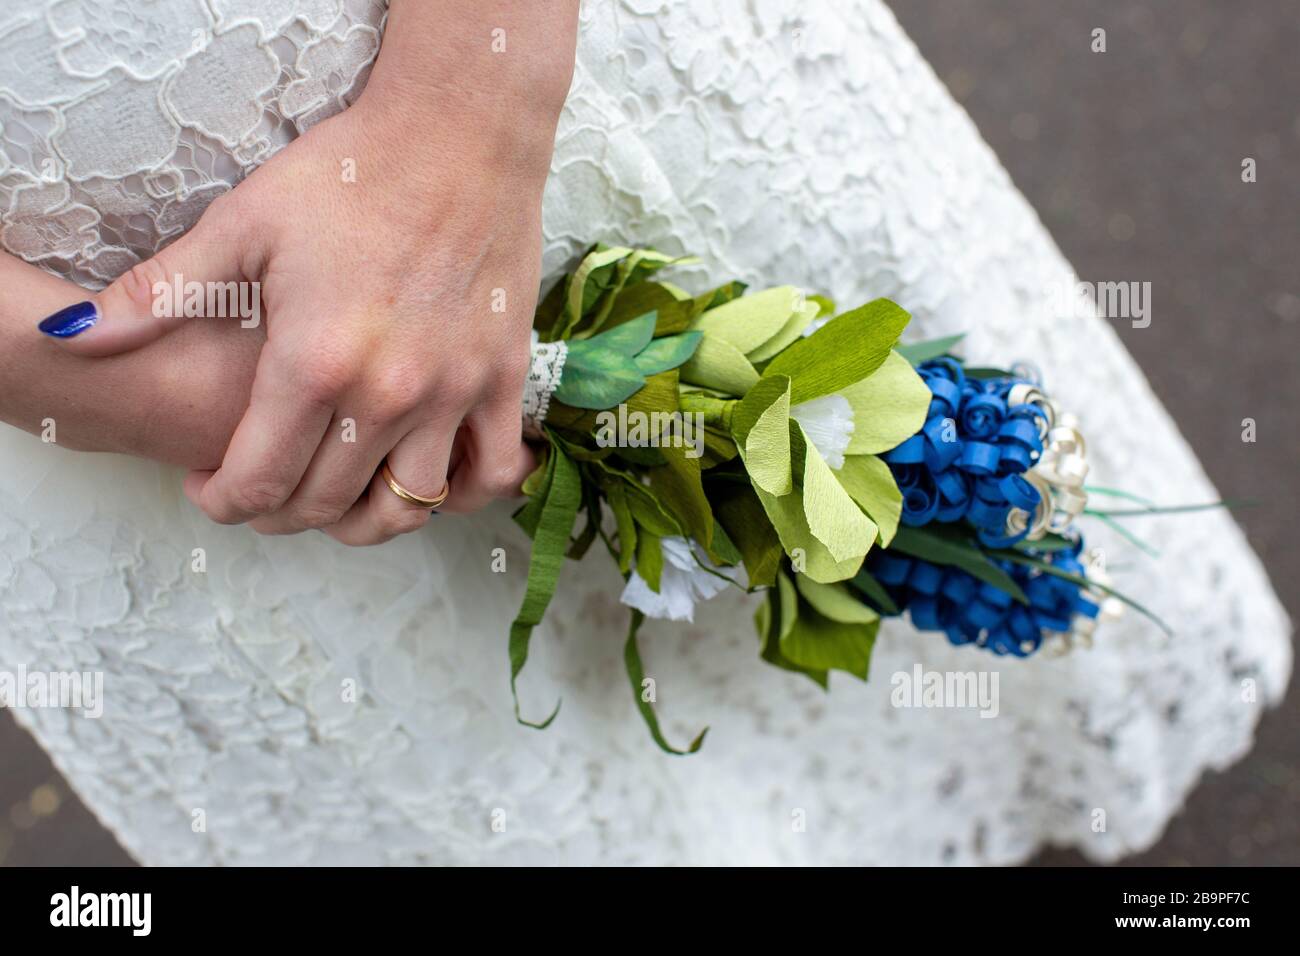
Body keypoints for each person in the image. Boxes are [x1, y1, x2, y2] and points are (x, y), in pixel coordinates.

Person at [0, 0, 1288, 865]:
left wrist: (476, 105)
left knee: (881, 510)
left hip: (528, 64)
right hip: (123, 436)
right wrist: (130, 394)